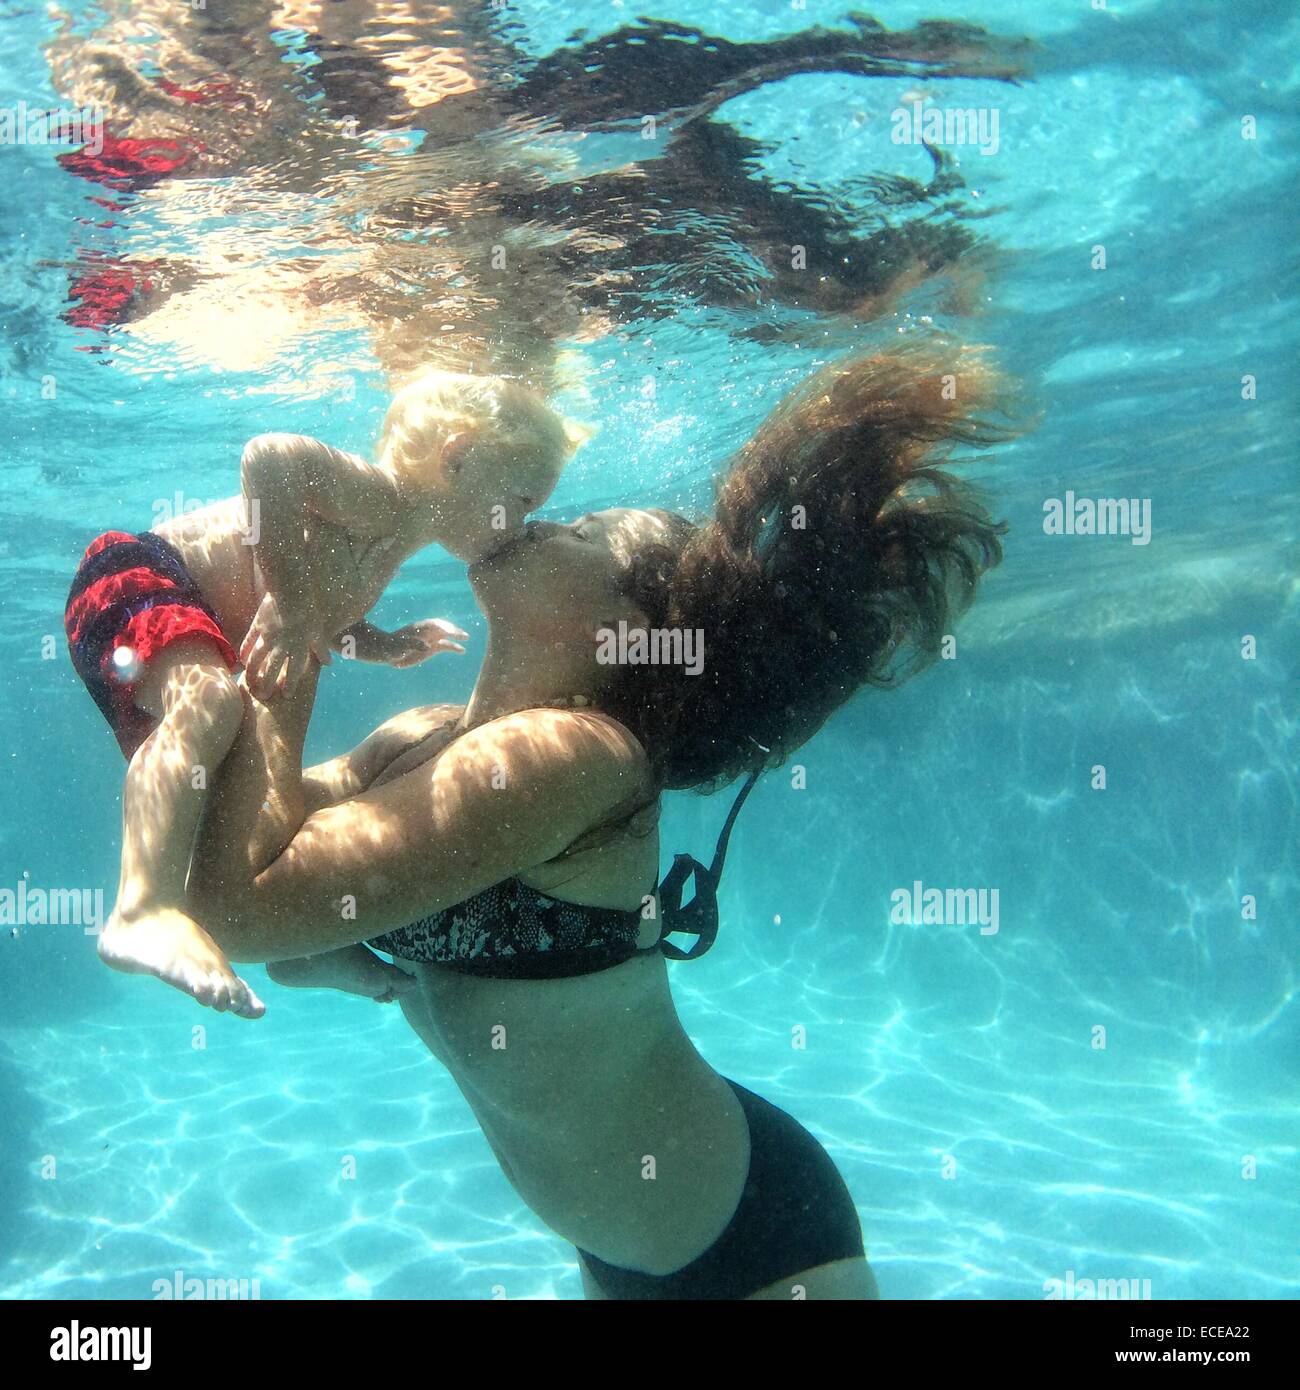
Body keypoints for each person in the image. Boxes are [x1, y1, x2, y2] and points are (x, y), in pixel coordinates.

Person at [186, 342, 1011, 1299]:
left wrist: (294, 626)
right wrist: (289, 609)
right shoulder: (420, 742)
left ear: (628, 624)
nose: (550, 523)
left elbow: (245, 901)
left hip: (754, 1236)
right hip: (616, 1246)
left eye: (584, 531)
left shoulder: (577, 760)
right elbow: (251, 882)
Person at [65, 370, 578, 1017]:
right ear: (458, 455)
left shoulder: (385, 545)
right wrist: (287, 597)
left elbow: (326, 621)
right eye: (521, 500)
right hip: (136, 578)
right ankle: (141, 910)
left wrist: (384, 644)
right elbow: (269, 460)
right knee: (215, 706)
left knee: (243, 783)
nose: (522, 526)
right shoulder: (377, 496)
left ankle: (299, 943)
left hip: (188, 629)